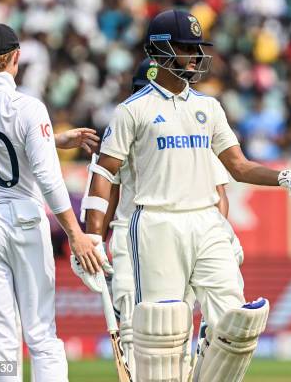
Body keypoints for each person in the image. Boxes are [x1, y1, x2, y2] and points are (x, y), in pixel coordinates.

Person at [82, 9, 291, 382]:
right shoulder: (132, 110)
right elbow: (104, 173)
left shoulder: (208, 107)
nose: (196, 56)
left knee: (238, 324)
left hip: (205, 221)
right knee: (161, 335)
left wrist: (287, 177)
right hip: (155, 222)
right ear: (160, 50)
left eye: (198, 48)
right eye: (187, 48)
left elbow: (239, 166)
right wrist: (91, 234)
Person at [0, 23, 108, 382]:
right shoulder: (28, 107)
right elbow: (48, 177)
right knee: (41, 336)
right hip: (23, 217)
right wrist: (75, 234)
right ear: (17, 59)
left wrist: (53, 139)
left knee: (0, 346)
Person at [79, 59, 245, 377]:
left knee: (176, 338)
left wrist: (222, 230)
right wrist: (93, 240)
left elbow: (217, 192)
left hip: (182, 236)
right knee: (140, 337)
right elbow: (104, 195)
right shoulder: (127, 125)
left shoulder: (190, 128)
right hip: (132, 237)